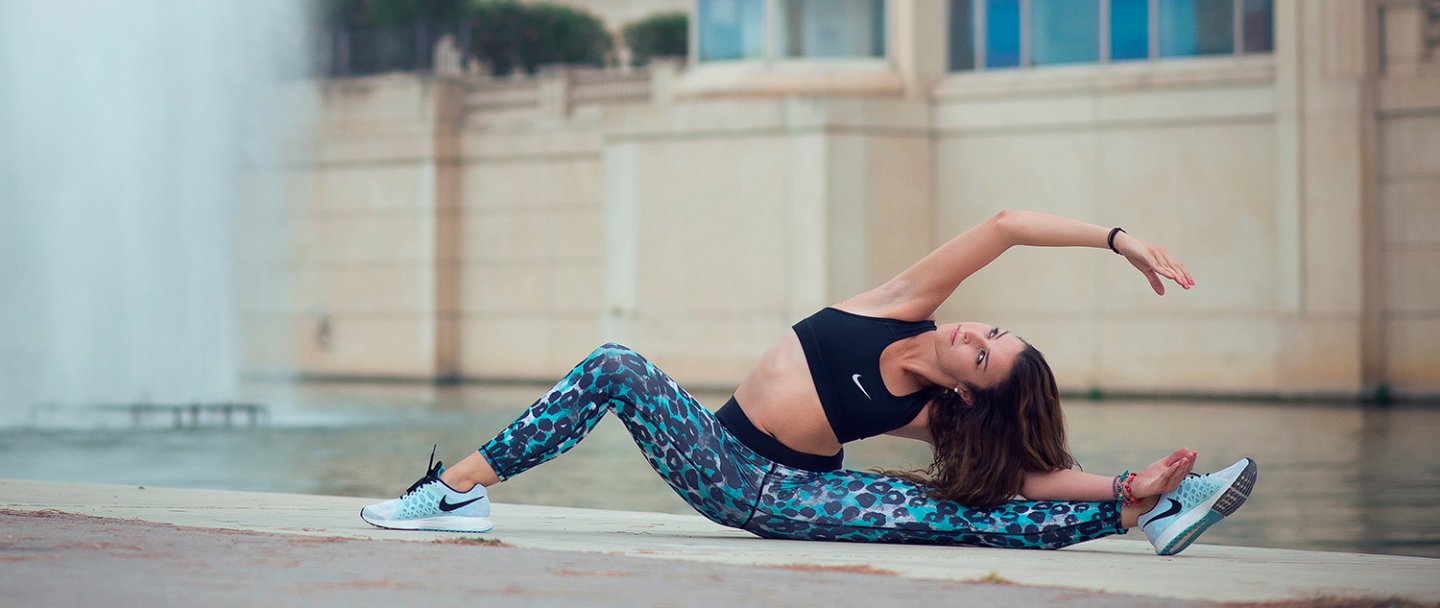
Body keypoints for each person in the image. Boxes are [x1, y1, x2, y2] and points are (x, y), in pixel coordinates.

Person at [361, 210, 1256, 556]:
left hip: (784, 495)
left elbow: (1021, 474)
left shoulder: (933, 415)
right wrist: (1118, 239)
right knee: (615, 367)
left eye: (984, 354)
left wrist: (1115, 479)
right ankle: (456, 494)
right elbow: (1008, 225)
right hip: (721, 463)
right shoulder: (904, 305)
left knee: (947, 512)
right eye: (991, 329)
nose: (974, 333)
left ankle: (1147, 507)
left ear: (972, 393)